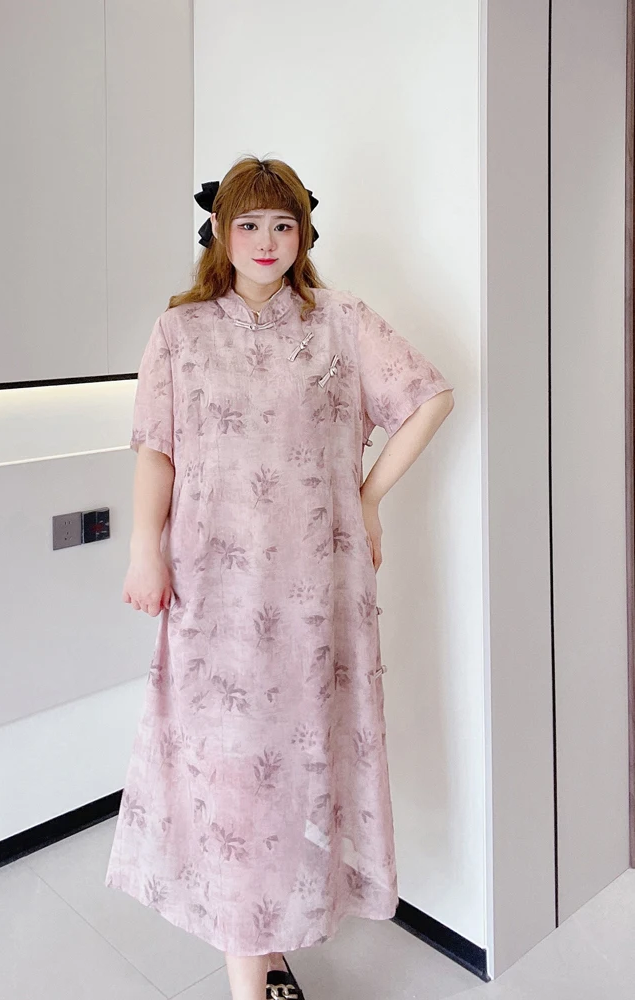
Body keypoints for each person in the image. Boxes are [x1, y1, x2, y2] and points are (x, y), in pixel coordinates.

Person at [105, 155, 455, 1000]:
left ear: (305, 234)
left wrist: (365, 501)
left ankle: (265, 945)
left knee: (297, 763)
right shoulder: (180, 331)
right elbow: (157, 449)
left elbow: (429, 398)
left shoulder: (341, 322)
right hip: (212, 589)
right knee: (227, 773)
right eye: (249, 224)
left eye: (284, 224)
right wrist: (145, 549)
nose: (266, 241)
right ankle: (249, 973)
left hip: (315, 591)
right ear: (220, 233)